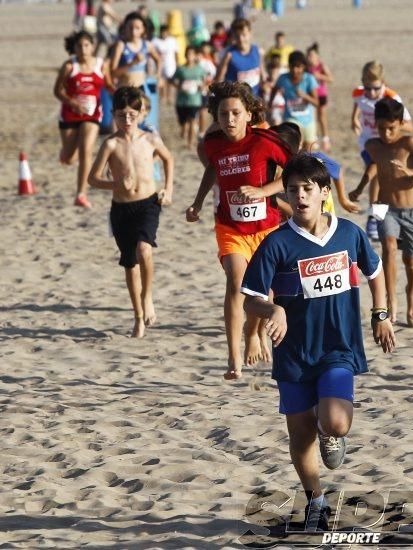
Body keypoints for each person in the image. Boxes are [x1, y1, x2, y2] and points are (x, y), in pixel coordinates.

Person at [241, 152, 395, 531]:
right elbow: (250, 297)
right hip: (293, 354)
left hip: (337, 349)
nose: (300, 197)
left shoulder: (348, 233)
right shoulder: (277, 243)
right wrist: (272, 311)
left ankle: (330, 431)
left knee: (336, 423)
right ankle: (316, 500)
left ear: (325, 191)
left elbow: (374, 271)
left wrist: (381, 314)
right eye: (292, 190)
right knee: (300, 435)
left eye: (308, 189)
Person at [186, 81, 292, 380]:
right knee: (236, 282)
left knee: (266, 293)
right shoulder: (213, 144)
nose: (229, 119)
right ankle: (233, 359)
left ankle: (254, 334)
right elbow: (212, 169)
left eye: (235, 113)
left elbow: (294, 176)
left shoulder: (266, 142)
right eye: (223, 114)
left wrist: (262, 191)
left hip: (267, 227)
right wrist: (197, 203)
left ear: (249, 114)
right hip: (231, 227)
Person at [88, 87, 174, 338]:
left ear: (141, 114)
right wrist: (114, 184)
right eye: (121, 115)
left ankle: (147, 297)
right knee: (130, 263)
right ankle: (138, 316)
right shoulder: (111, 143)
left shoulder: (150, 140)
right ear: (113, 114)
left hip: (147, 204)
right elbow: (92, 178)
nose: (127, 120)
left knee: (144, 249)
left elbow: (169, 159)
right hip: (121, 209)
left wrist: (167, 189)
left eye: (132, 115)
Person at [349, 98, 413, 327]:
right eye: (381, 128)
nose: (387, 133)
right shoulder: (373, 145)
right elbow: (374, 165)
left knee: (411, 261)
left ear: (400, 123)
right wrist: (360, 187)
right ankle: (391, 300)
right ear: (375, 125)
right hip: (383, 207)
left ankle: (411, 294)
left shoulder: (408, 143)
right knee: (387, 246)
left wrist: (410, 171)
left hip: (411, 211)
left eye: (391, 128)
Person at [351, 60, 413, 241]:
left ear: (383, 83)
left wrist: (391, 128)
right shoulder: (358, 93)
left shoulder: (392, 98)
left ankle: (383, 217)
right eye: (368, 88)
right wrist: (353, 119)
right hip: (368, 143)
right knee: (376, 174)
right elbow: (358, 105)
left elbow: (409, 125)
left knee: (386, 178)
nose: (371, 93)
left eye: (375, 88)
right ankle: (373, 218)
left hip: (388, 144)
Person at [54, 31, 105, 208]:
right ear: (74, 48)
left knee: (86, 149)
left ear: (92, 47)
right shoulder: (69, 66)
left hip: (92, 114)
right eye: (79, 46)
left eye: (86, 45)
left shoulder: (101, 65)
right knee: (69, 158)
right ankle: (66, 153)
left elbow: (111, 84)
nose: (83, 49)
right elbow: (57, 91)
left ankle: (81, 194)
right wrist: (73, 103)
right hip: (70, 114)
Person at [269, 50, 319, 152]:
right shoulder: (283, 78)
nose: (295, 70)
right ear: (289, 66)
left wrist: (305, 96)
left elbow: (316, 103)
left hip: (308, 120)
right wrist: (270, 102)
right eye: (292, 66)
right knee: (294, 144)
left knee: (310, 149)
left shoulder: (309, 79)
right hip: (291, 118)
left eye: (298, 67)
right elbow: (275, 88)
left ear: (303, 67)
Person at [110, 11, 161, 90]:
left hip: (141, 91)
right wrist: (132, 63)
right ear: (125, 28)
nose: (133, 32)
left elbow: (158, 60)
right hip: (124, 91)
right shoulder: (121, 45)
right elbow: (113, 73)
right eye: (130, 28)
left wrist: (158, 76)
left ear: (143, 29)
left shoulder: (147, 45)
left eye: (137, 28)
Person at [215, 18, 265, 96]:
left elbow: (262, 74)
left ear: (250, 33)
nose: (241, 39)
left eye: (244, 35)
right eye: (237, 36)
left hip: (255, 100)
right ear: (233, 36)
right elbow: (219, 80)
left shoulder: (257, 51)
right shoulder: (229, 55)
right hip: (236, 101)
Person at [172, 46, 206, 149]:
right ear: (185, 55)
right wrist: (179, 87)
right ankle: (183, 128)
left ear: (195, 56)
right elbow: (173, 80)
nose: (189, 56)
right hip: (181, 101)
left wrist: (202, 87)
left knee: (192, 120)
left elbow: (204, 81)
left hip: (195, 101)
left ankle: (190, 143)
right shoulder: (181, 69)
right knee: (182, 122)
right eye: (187, 54)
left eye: (191, 54)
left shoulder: (199, 69)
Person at [306, 42, 333, 152]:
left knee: (322, 115)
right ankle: (314, 137)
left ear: (317, 56)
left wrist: (320, 76)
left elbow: (331, 78)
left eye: (311, 55)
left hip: (321, 94)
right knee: (312, 116)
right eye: (308, 56)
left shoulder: (321, 66)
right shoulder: (307, 68)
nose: (309, 58)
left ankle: (325, 138)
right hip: (311, 94)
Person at [152, 24, 179, 105]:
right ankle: (163, 96)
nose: (164, 34)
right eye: (162, 32)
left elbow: (176, 52)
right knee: (162, 80)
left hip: (170, 63)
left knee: (170, 81)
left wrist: (177, 63)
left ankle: (170, 96)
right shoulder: (155, 41)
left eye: (166, 32)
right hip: (160, 64)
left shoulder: (172, 40)